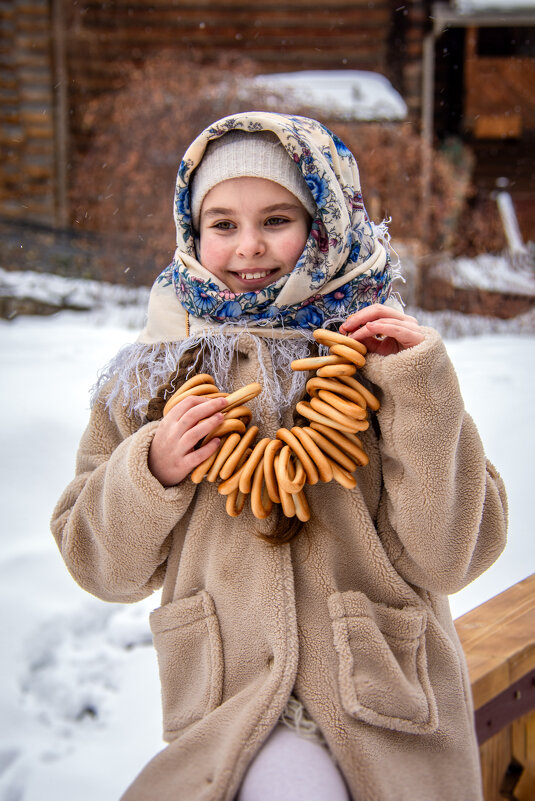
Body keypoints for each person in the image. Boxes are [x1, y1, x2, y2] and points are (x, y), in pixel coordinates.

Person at [51, 111, 507, 801]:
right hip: (225, 703)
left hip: (377, 701)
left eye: (276, 219)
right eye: (223, 224)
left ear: (325, 222)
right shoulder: (151, 372)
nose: (248, 248)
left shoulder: (379, 350)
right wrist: (150, 469)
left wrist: (421, 391)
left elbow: (450, 554)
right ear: (191, 230)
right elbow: (99, 564)